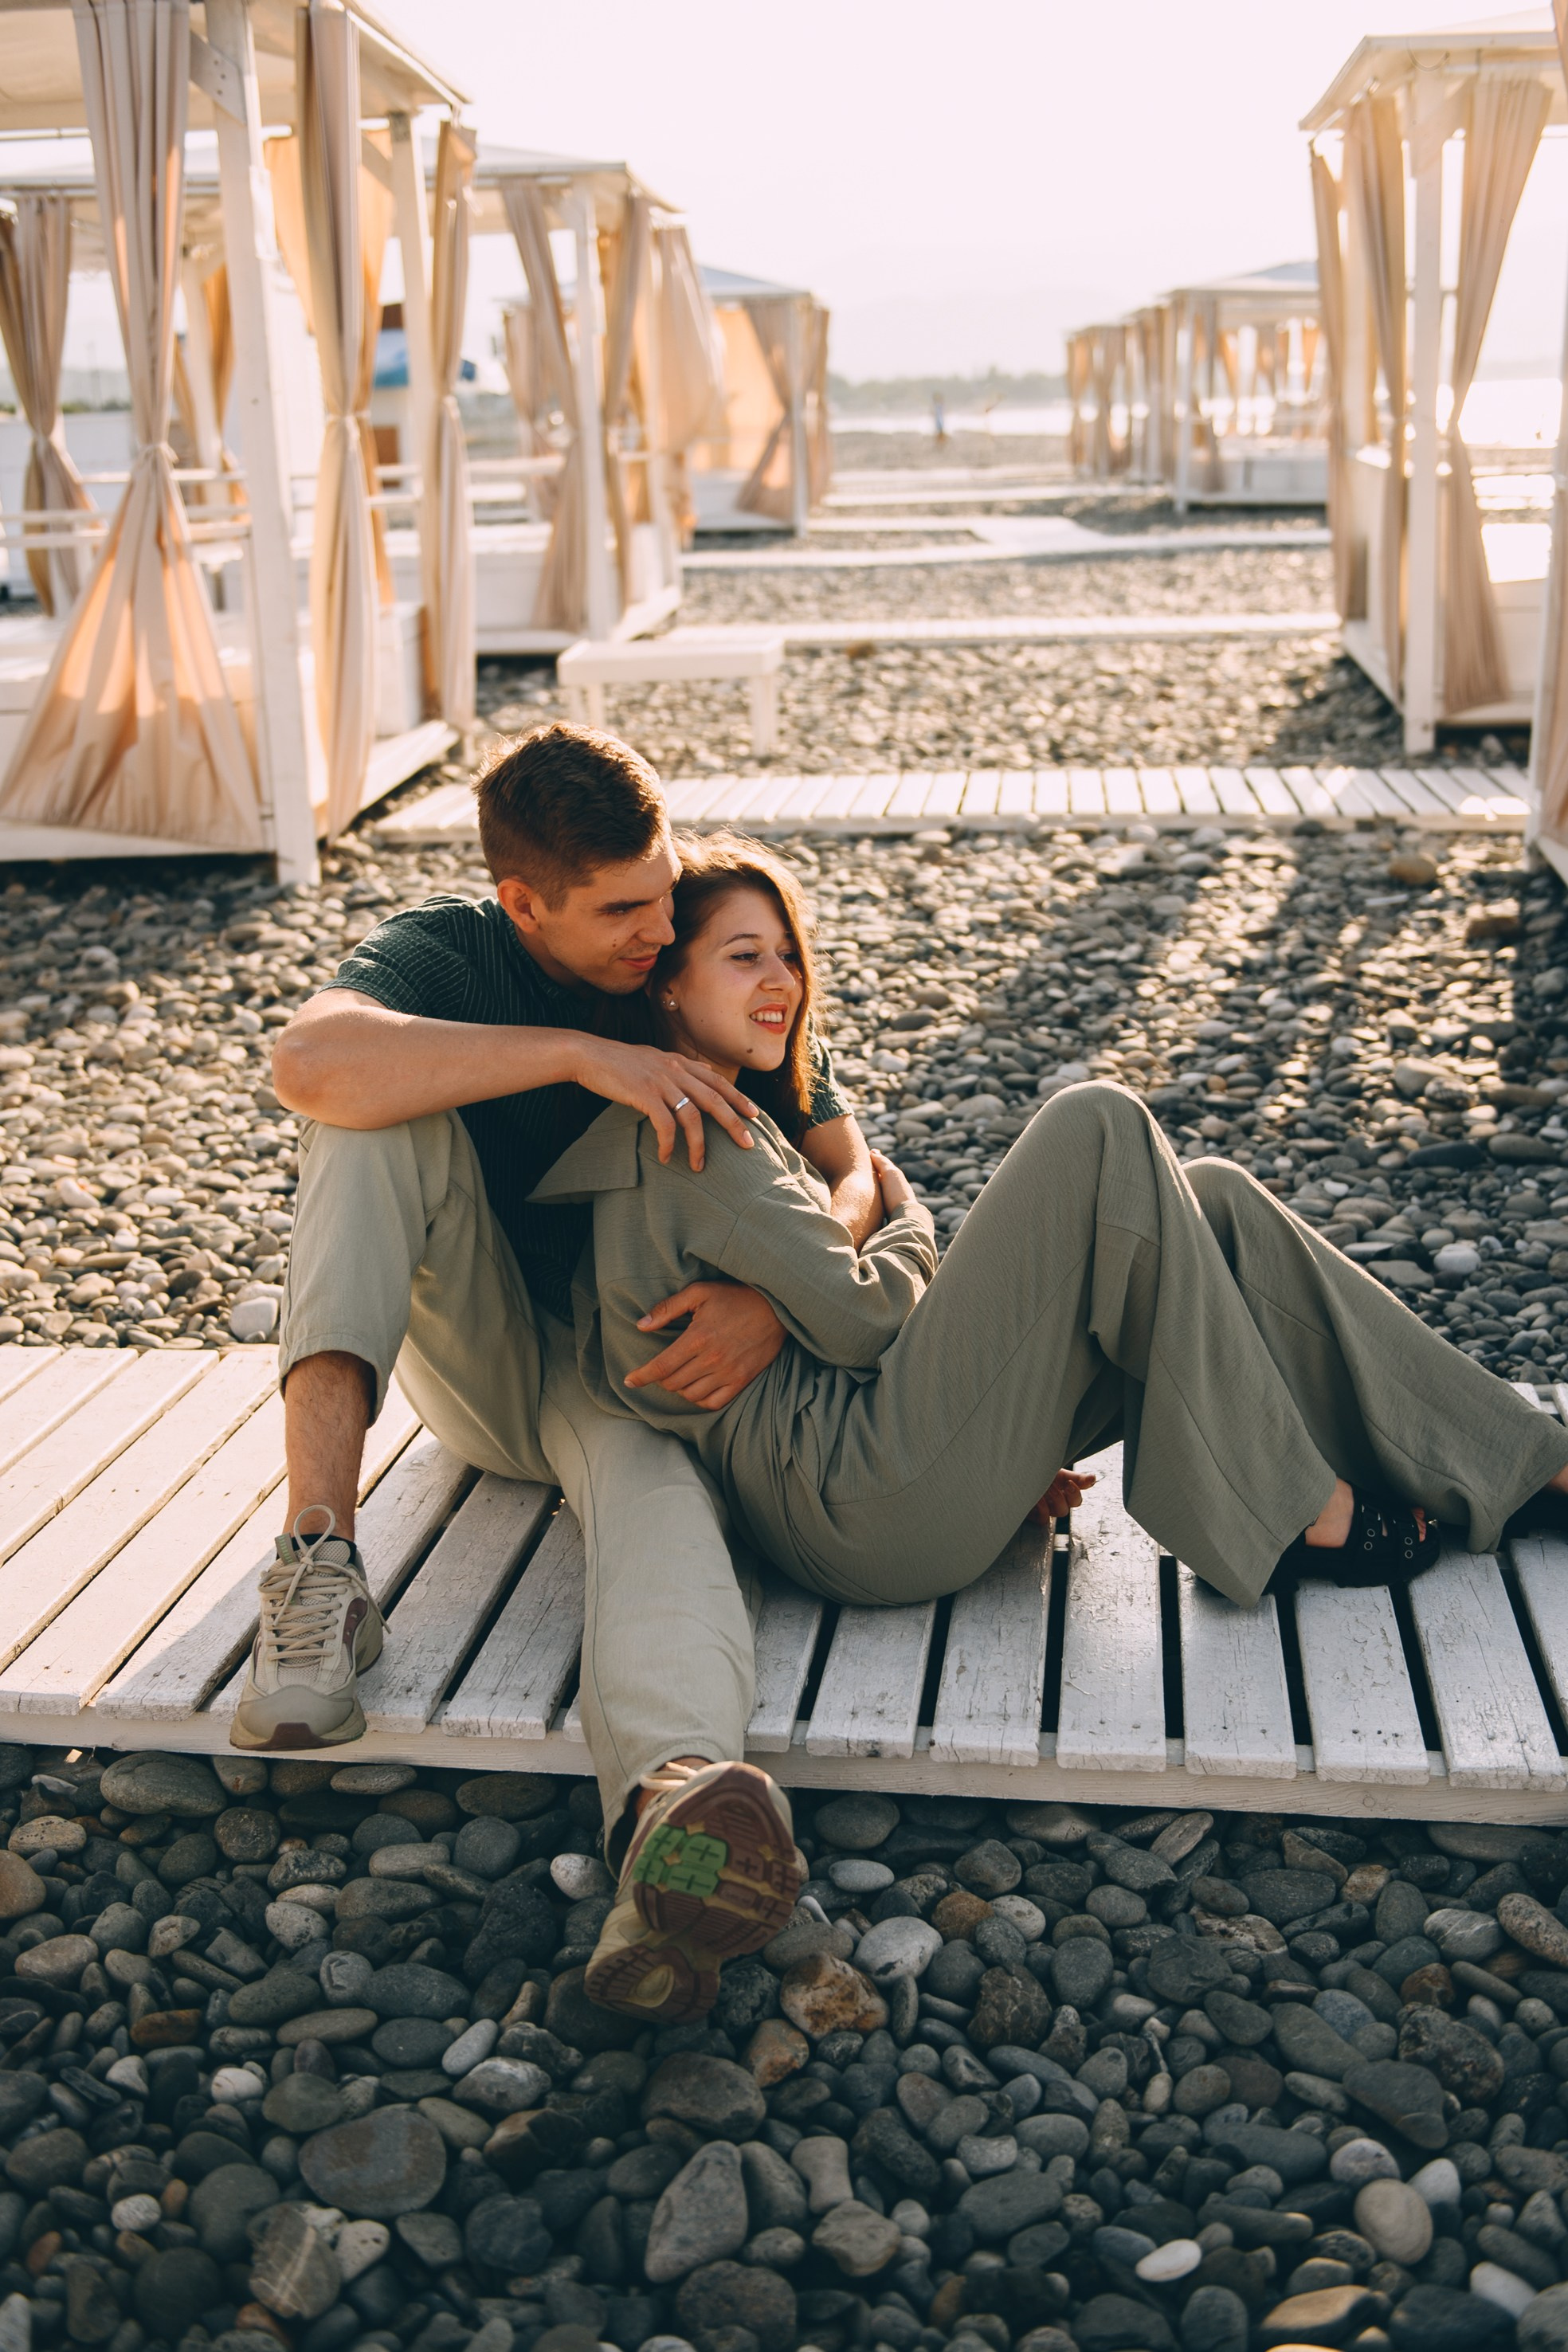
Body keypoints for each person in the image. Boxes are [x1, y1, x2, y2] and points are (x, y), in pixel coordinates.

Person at [535, 836, 1568, 2014]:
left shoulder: (719, 1115)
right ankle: (1300, 1513)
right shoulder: (694, 1134)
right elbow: (880, 1315)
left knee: (1209, 1205)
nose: (780, 983)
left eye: (788, 956)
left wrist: (818, 1264)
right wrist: (897, 1205)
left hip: (876, 1463)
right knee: (1095, 1124)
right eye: (740, 957)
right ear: (668, 982)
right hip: (867, 1498)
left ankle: (1512, 1465)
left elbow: (839, 1296)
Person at [241, 727, 878, 2007]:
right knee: (363, 1131)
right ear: (525, 902)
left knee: (661, 1524)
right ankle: (319, 1569)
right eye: (623, 909)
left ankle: (670, 1819)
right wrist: (582, 1055)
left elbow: (854, 1173)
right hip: (493, 1350)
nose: (659, 922)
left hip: (633, 1370)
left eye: (662, 889)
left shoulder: (691, 941)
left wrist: (768, 1299)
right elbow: (305, 1062)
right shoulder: (454, 952)